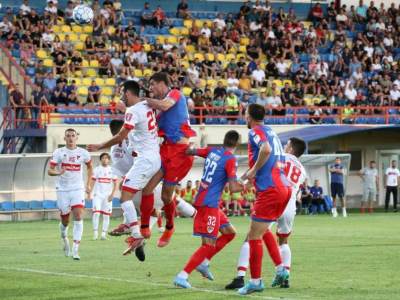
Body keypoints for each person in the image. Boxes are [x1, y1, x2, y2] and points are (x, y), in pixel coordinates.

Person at [87, 80, 161, 257]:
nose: (121, 97)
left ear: (128, 93)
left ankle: (135, 233)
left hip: (145, 160)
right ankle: (136, 228)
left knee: (125, 195)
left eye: (122, 93)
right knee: (147, 200)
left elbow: (121, 135)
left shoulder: (133, 110)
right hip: (154, 157)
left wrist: (99, 146)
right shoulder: (146, 104)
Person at [226, 137, 307, 290]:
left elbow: (264, 171)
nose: (284, 146)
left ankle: (241, 276)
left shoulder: (279, 157)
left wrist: (242, 180)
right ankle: (285, 277)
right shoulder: (302, 169)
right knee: (283, 241)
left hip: (276, 197)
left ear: (290, 149)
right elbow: (298, 192)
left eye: (286, 144)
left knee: (252, 235)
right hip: (290, 204)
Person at [173, 130, 244, 289]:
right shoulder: (230, 159)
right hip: (209, 204)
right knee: (208, 244)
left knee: (230, 233)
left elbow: (190, 150)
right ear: (237, 143)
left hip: (207, 201)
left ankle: (204, 263)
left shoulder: (212, 151)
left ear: (224, 140)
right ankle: (182, 276)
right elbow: (233, 188)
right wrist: (248, 185)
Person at [237, 104, 291, 295]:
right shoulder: (271, 131)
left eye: (245, 114)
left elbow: (265, 150)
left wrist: (252, 171)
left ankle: (255, 281)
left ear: (249, 116)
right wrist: (251, 176)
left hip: (271, 189)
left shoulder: (255, 131)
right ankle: (280, 269)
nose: (244, 117)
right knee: (263, 229)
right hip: (283, 187)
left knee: (253, 236)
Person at [139, 72, 196, 247]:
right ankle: (144, 227)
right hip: (165, 151)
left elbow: (164, 105)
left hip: (179, 153)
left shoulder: (175, 94)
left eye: (152, 85)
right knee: (147, 189)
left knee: (165, 196)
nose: (150, 89)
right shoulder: (158, 113)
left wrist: (144, 100)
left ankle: (170, 227)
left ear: (162, 83)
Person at [48, 128, 92, 260]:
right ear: (64, 138)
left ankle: (75, 250)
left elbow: (90, 167)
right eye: (68, 136)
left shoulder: (83, 153)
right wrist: (59, 172)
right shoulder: (59, 152)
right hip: (62, 189)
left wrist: (88, 184)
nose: (71, 138)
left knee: (78, 215)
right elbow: (50, 171)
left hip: (77, 188)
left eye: (73, 136)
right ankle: (64, 237)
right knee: (65, 220)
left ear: (77, 137)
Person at [88, 153, 117, 240]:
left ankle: (103, 234)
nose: (105, 160)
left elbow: (115, 183)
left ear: (109, 160)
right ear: (100, 160)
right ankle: (95, 234)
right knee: (96, 213)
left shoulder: (112, 170)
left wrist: (112, 195)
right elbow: (92, 182)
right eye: (103, 158)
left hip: (107, 196)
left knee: (106, 215)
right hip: (98, 195)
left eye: (107, 158)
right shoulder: (97, 170)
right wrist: (89, 193)